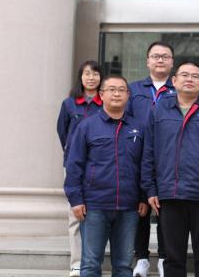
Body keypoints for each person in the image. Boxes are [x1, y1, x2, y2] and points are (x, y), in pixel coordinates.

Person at [142, 61, 199, 277]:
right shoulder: (158, 111)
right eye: (185, 75)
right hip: (169, 194)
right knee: (173, 258)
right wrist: (150, 189)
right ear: (174, 81)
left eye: (195, 76)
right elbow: (149, 152)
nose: (189, 79)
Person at [64, 75, 149, 277]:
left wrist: (144, 197)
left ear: (128, 95)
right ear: (101, 95)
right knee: (90, 264)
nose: (117, 94)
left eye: (121, 90)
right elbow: (74, 165)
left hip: (129, 207)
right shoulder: (87, 126)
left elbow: (145, 165)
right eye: (111, 89)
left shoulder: (139, 128)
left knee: (124, 266)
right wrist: (76, 200)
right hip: (94, 205)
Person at [129, 42, 176, 277]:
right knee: (141, 209)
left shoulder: (179, 88)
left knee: (165, 209)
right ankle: (142, 258)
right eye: (155, 56)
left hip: (169, 156)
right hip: (138, 155)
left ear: (172, 62)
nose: (160, 60)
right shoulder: (134, 89)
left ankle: (165, 257)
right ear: (147, 61)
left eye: (165, 56)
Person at [57, 60, 104, 277]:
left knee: (97, 214)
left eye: (95, 73)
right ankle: (77, 263)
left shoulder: (105, 102)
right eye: (87, 73)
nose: (91, 77)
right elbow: (63, 133)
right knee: (75, 215)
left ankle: (93, 262)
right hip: (75, 166)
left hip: (101, 166)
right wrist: (75, 154)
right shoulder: (69, 104)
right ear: (80, 77)